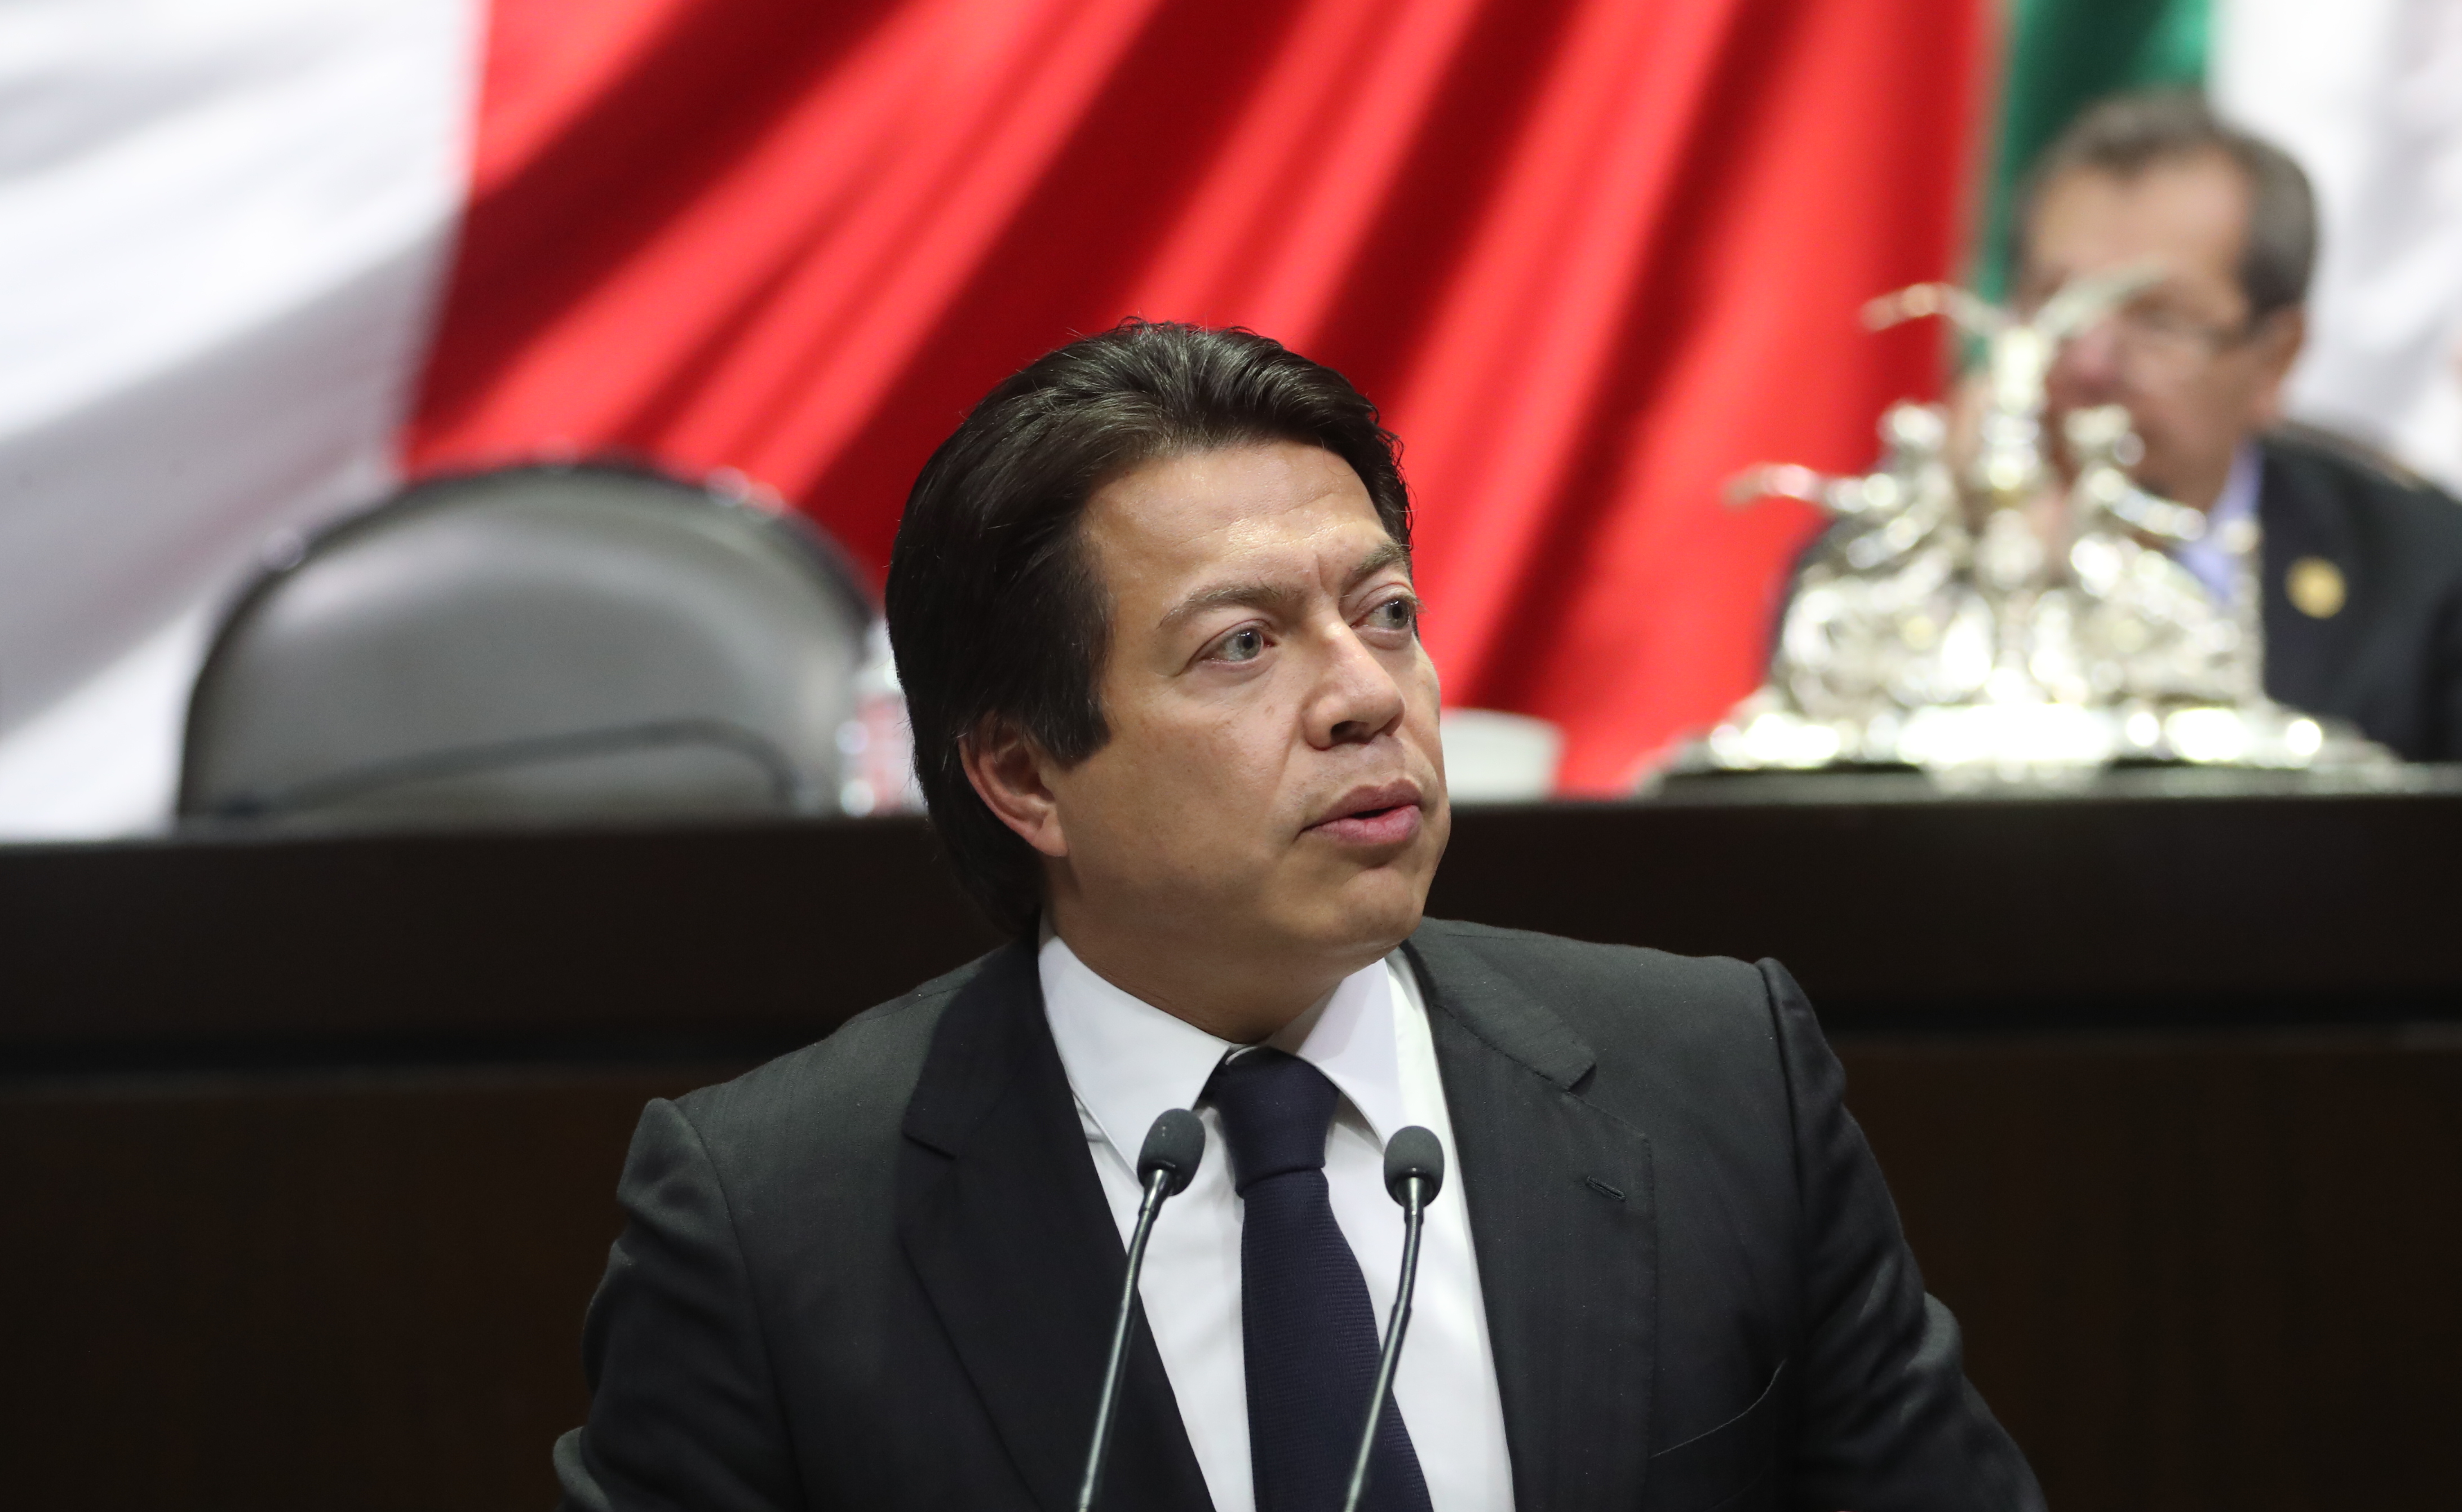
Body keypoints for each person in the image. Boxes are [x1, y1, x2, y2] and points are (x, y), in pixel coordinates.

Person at [553, 322, 2042, 1511]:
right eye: (1243, 645)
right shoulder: (774, 1218)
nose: (1365, 695)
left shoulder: (1718, 1080)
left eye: (1386, 612)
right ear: (1025, 774)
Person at [2011, 90, 2462, 760]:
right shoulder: (1906, 552)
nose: (2090, 362)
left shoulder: (2419, 568)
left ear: (2275, 359)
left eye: (2159, 320)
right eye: (2059, 306)